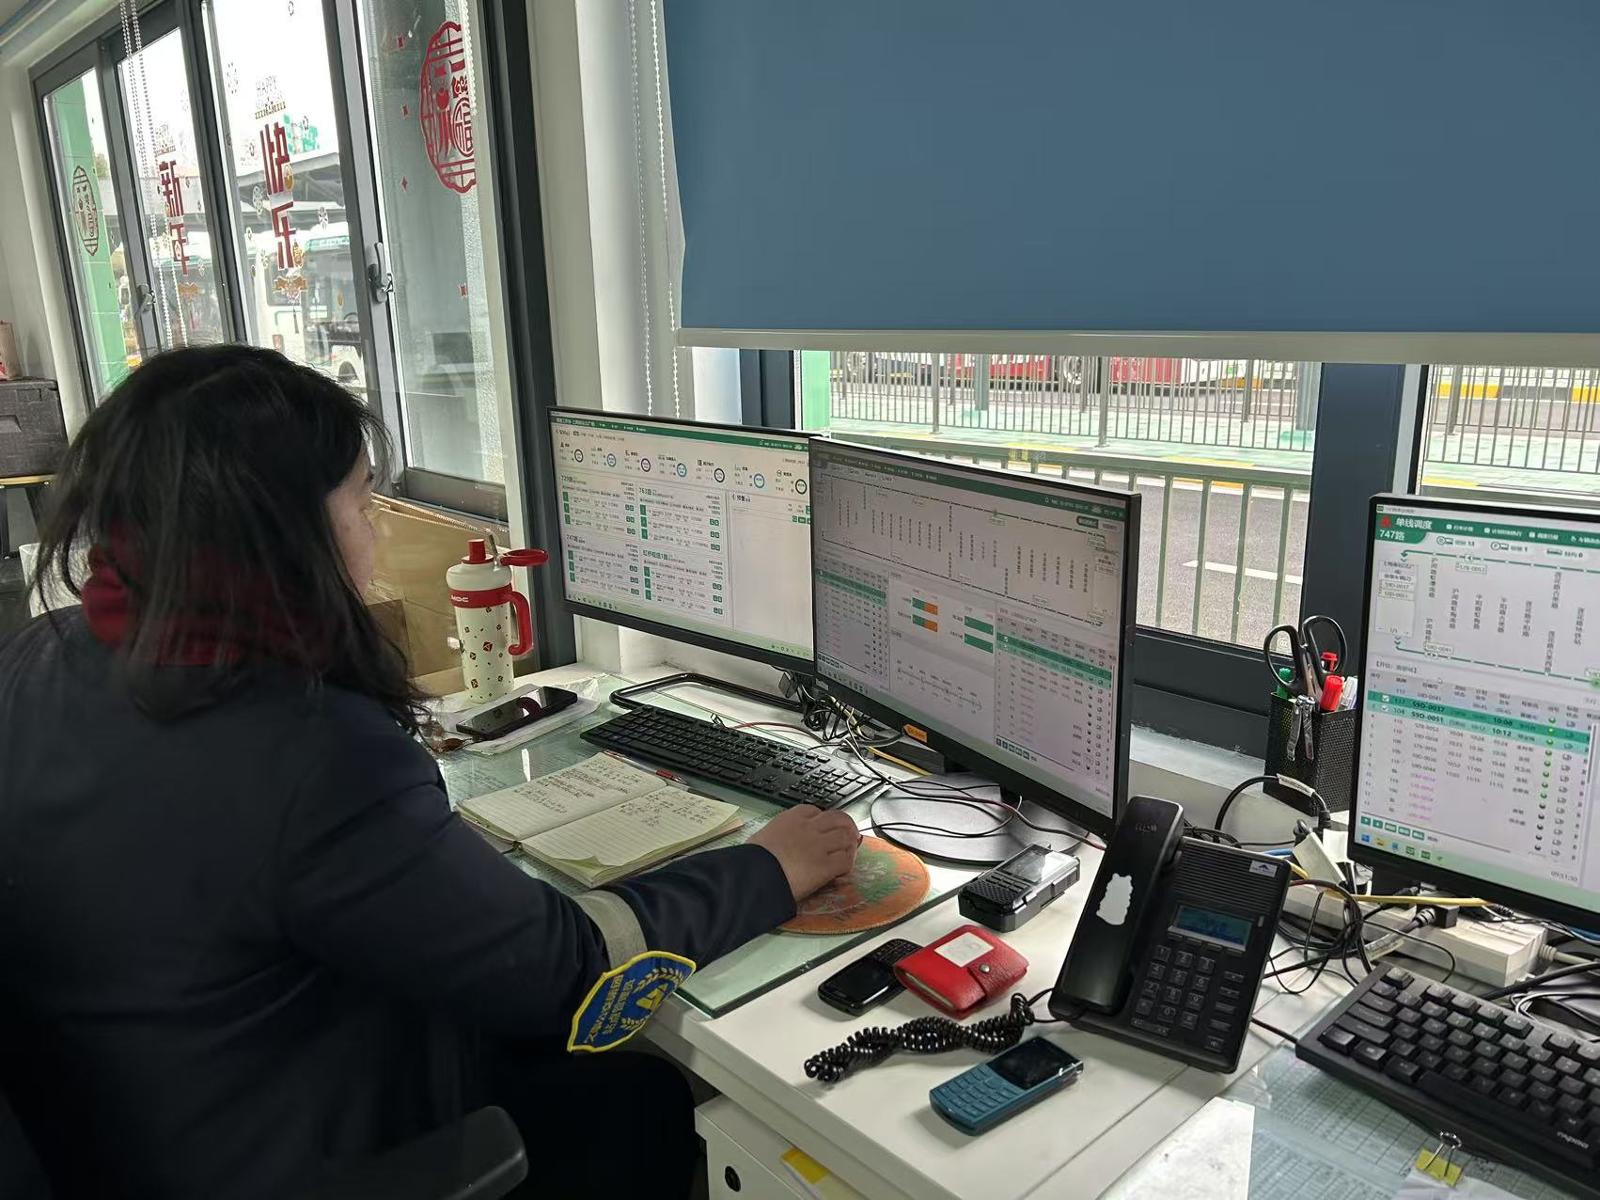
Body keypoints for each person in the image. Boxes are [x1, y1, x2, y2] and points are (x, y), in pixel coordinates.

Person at [0, 345, 860, 1200]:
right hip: (301, 1155)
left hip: (138, 1130)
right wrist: (764, 869)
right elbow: (560, 972)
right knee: (643, 1100)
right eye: (360, 500)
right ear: (285, 533)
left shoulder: (42, 655)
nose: (372, 527)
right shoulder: (311, 750)